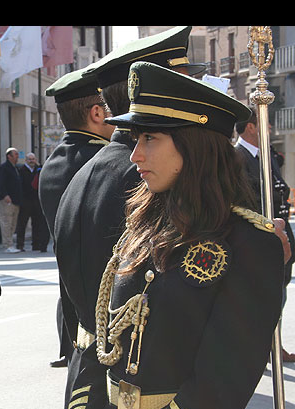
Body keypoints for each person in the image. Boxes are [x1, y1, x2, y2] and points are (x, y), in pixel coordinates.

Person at [54, 61, 286, 409]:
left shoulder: (248, 243)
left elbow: (216, 390)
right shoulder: (142, 225)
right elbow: (102, 348)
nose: (135, 156)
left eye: (150, 140)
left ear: (194, 146)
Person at [55, 26, 206, 383]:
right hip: (137, 378)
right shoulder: (152, 177)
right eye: (183, 83)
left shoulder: (84, 172)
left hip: (91, 370)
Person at [40, 67, 114, 371]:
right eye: (112, 108)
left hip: (73, 311)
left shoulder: (52, 165)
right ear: (96, 113)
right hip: (108, 313)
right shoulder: (107, 163)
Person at [235, 108, 295, 362]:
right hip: (259, 238)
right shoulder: (236, 157)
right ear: (251, 126)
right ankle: (260, 347)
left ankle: (273, 343)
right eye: (264, 122)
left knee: (278, 296)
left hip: (280, 236)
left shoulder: (265, 155)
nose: (269, 127)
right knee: (263, 299)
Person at [15, 152, 49, 252]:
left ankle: (36, 244)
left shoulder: (39, 169)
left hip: (36, 200)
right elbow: (19, 186)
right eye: (29, 159)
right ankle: (20, 245)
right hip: (25, 200)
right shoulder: (21, 170)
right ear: (26, 160)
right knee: (22, 223)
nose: (31, 161)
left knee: (37, 223)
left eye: (33, 159)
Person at [0, 147, 22, 253]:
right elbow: (1, 183)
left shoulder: (15, 168)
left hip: (15, 200)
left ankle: (11, 243)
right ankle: (7, 245)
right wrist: (5, 195)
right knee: (6, 223)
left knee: (13, 224)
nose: (17, 156)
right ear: (9, 156)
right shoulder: (4, 168)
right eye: (15, 154)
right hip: (6, 200)